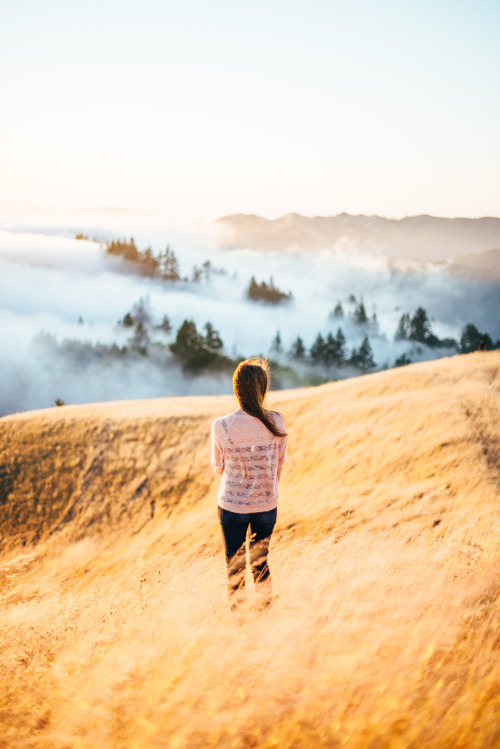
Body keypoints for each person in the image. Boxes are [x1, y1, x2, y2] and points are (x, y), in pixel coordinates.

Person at [211, 357, 288, 610]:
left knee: (234, 565)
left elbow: (219, 467)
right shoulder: (276, 421)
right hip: (267, 504)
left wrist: (241, 484)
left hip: (232, 506)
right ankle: (265, 614)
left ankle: (239, 621)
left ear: (236, 390)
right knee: (260, 562)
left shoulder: (221, 425)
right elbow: (278, 464)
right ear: (263, 389)